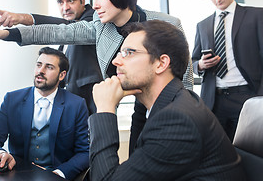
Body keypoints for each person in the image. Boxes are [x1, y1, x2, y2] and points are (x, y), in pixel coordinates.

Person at [0, 0, 194, 152]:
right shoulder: (101, 28)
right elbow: (58, 32)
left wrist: (190, 109)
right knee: (136, 156)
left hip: (170, 104)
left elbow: (185, 75)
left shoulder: (167, 23)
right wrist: (1, 34)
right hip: (139, 105)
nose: (96, 4)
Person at [88, 20, 245, 181]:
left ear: (161, 63)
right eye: (120, 53)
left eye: (129, 53)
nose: (116, 61)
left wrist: (105, 108)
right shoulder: (166, 104)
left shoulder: (178, 119)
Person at [0, 0, 102, 115]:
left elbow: (68, 29)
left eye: (71, 1)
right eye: (60, 2)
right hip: (71, 107)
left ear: (83, 0)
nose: (65, 7)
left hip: (92, 106)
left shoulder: (94, 20)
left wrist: (21, 20)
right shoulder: (65, 33)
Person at [0, 47, 89, 180]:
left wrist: (59, 174)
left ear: (62, 75)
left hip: (56, 175)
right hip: (18, 175)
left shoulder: (76, 104)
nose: (40, 71)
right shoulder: (12, 100)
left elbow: (85, 152)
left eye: (49, 67)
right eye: (39, 65)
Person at [192, 0, 263, 141]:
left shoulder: (257, 16)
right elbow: (194, 60)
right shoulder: (203, 25)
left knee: (249, 149)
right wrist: (201, 65)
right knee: (218, 152)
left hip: (248, 95)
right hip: (214, 100)